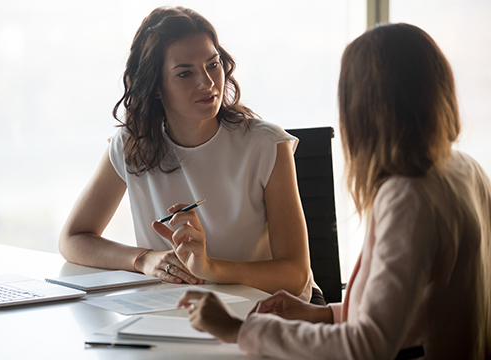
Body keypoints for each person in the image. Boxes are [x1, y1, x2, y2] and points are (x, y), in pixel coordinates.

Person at [177, 23, 491, 359]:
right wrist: (324, 314)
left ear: (363, 108)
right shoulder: (464, 168)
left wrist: (237, 330)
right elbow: (419, 312)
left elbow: (366, 346)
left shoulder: (407, 197)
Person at [59, 6, 321, 301]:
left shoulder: (266, 144)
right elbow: (73, 239)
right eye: (185, 73)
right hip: (178, 312)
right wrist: (145, 260)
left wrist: (210, 268)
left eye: (213, 64)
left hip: (268, 312)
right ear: (156, 87)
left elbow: (296, 275)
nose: (208, 83)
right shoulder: (132, 144)